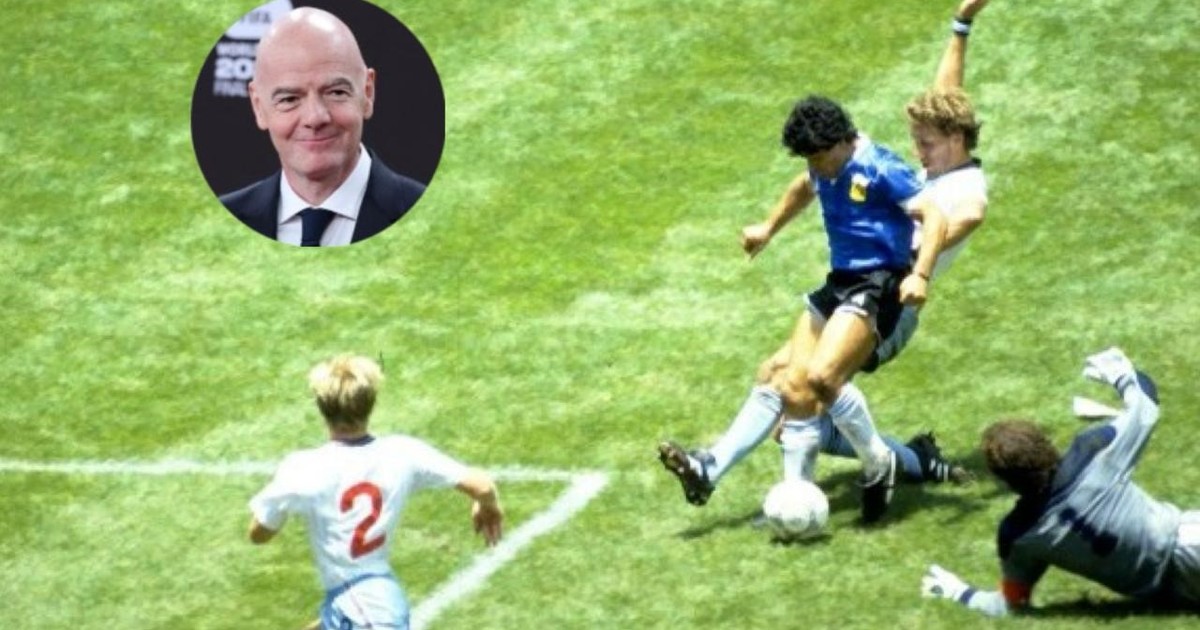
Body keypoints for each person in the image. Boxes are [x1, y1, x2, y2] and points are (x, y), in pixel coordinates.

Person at [661, 0, 991, 522]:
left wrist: (920, 272)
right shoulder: (905, 161)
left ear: (956, 140)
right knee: (780, 380)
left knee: (814, 387)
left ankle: (880, 462)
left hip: (891, 295)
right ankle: (715, 469)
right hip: (850, 281)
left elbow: (937, 225)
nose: (917, 149)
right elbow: (944, 98)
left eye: (925, 143)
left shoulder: (963, 193)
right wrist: (962, 22)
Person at [920, 347, 1200, 615]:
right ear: (1046, 443)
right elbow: (1146, 404)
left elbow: (1011, 602)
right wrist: (1122, 374)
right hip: (1188, 543)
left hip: (1173, 593)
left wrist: (959, 592)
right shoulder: (1091, 454)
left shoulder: (1018, 533)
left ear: (1006, 481)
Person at [247, 355, 503, 630]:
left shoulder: (302, 467)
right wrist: (487, 505)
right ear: (370, 403)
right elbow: (483, 486)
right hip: (370, 600)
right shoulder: (403, 452)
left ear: (321, 408)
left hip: (364, 608)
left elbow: (259, 534)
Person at [220, 7, 426, 246]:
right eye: (289, 99)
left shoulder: (430, 216)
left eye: (336, 92)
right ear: (258, 106)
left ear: (367, 93)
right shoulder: (219, 225)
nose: (315, 118)